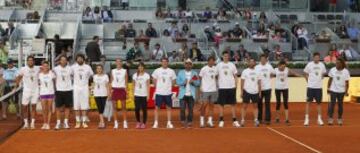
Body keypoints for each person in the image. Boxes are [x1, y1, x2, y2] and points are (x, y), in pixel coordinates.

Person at [15, 56, 40, 129]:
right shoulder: (23, 69)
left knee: (33, 107)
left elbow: (45, 69)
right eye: (29, 60)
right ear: (27, 62)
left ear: (34, 61)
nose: (30, 62)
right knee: (24, 107)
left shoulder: (37, 68)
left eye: (31, 60)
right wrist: (15, 87)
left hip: (35, 90)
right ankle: (26, 123)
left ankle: (32, 123)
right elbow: (18, 77)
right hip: (26, 91)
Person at [216, 51, 240, 128]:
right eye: (224, 56)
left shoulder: (232, 65)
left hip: (231, 87)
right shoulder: (219, 65)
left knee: (232, 104)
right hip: (222, 87)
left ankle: (234, 120)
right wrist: (218, 85)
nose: (226, 57)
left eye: (227, 56)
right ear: (222, 56)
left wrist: (236, 84)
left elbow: (236, 76)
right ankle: (221, 120)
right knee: (221, 105)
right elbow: (216, 76)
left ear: (229, 57)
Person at [151, 58, 177, 129]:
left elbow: (174, 80)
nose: (164, 63)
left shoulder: (171, 71)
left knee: (168, 108)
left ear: (168, 63)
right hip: (159, 92)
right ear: (161, 63)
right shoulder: (157, 70)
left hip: (168, 93)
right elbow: (153, 78)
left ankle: (169, 122)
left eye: (166, 62)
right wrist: (157, 86)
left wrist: (169, 86)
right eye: (163, 62)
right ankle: (156, 123)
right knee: (157, 108)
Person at [274, 60, 301, 125]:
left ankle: (286, 119)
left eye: (284, 67)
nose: (283, 68)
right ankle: (277, 118)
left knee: (285, 103)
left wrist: (300, 75)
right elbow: (269, 75)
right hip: (277, 88)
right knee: (278, 103)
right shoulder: (275, 70)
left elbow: (293, 73)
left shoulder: (287, 69)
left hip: (285, 88)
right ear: (279, 66)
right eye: (282, 67)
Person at [303, 52, 327, 126]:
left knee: (319, 103)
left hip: (318, 87)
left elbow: (324, 73)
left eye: (318, 57)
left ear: (319, 58)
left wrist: (322, 76)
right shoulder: (309, 64)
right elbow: (305, 73)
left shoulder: (322, 65)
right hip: (310, 87)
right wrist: (308, 81)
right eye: (315, 57)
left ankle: (319, 119)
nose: (317, 58)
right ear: (313, 57)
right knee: (308, 103)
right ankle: (306, 119)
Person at [71, 54, 94, 128]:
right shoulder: (73, 67)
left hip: (84, 87)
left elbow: (92, 76)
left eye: (81, 58)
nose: (79, 60)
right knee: (76, 105)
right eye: (78, 58)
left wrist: (90, 84)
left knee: (84, 105)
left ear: (83, 59)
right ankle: (78, 122)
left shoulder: (88, 67)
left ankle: (84, 121)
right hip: (76, 87)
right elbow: (70, 75)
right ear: (76, 59)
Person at [176, 59, 200, 128]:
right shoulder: (181, 73)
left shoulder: (194, 73)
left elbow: (198, 83)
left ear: (191, 65)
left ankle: (190, 121)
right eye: (186, 64)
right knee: (182, 108)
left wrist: (193, 82)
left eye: (189, 64)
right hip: (182, 94)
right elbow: (177, 82)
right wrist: (183, 82)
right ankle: (183, 120)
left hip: (191, 94)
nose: (188, 65)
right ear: (184, 65)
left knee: (190, 109)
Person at [327, 58, 350, 126]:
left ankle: (339, 119)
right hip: (333, 90)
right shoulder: (332, 70)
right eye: (336, 63)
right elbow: (330, 80)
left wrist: (346, 91)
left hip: (341, 91)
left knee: (340, 105)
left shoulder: (346, 72)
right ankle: (330, 119)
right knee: (332, 104)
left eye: (338, 63)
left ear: (341, 64)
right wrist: (328, 88)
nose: (337, 64)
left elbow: (347, 83)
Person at [53, 56, 73, 130]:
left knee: (67, 107)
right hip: (59, 90)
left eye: (65, 60)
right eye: (62, 60)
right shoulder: (55, 69)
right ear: (60, 61)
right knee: (58, 108)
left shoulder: (70, 69)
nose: (63, 61)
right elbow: (53, 78)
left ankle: (65, 122)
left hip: (68, 90)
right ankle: (58, 123)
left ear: (66, 61)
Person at [240, 58, 261, 127]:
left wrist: (260, 92)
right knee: (244, 106)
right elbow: (242, 82)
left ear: (255, 63)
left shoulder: (258, 71)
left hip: (255, 91)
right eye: (250, 62)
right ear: (248, 63)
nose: (251, 63)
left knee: (255, 106)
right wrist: (241, 91)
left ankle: (256, 120)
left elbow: (259, 82)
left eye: (253, 62)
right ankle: (242, 120)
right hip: (246, 91)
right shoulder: (245, 71)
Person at [255, 54, 275, 125]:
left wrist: (271, 76)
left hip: (268, 88)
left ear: (266, 59)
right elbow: (255, 77)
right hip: (259, 89)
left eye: (264, 59)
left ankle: (267, 119)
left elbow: (274, 73)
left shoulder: (269, 66)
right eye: (261, 59)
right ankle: (259, 119)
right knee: (259, 104)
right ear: (260, 59)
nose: (263, 60)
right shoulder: (257, 67)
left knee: (267, 104)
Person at [199, 56, 218, 128]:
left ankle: (209, 121)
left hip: (213, 89)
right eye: (210, 61)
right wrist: (201, 86)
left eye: (213, 61)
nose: (212, 62)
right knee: (204, 105)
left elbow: (216, 77)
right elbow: (200, 77)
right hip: (206, 90)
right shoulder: (204, 69)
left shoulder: (215, 69)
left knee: (211, 106)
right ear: (208, 61)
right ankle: (201, 121)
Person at [110, 58, 128, 129]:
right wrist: (110, 90)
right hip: (114, 89)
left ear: (122, 63)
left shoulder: (125, 71)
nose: (118, 63)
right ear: (115, 63)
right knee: (114, 107)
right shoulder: (112, 71)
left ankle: (125, 122)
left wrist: (126, 90)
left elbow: (126, 81)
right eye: (117, 61)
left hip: (122, 89)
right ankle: (116, 122)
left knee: (124, 107)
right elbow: (111, 81)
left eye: (120, 61)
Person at [132, 62, 150, 129]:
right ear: (138, 68)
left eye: (141, 66)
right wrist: (133, 94)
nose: (140, 68)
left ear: (143, 67)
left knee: (144, 109)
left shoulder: (147, 75)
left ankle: (144, 123)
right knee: (137, 109)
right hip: (137, 94)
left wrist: (148, 95)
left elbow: (148, 85)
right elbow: (133, 85)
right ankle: (138, 122)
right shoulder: (135, 75)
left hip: (144, 94)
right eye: (139, 66)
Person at [38, 61, 55, 130]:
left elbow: (55, 82)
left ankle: (48, 123)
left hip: (50, 93)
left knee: (49, 108)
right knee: (44, 109)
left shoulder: (52, 74)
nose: (45, 67)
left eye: (46, 66)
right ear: (42, 66)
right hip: (43, 93)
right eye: (44, 66)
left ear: (48, 67)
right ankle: (44, 123)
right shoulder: (39, 74)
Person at [93, 64, 110, 129]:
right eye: (98, 68)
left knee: (104, 108)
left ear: (102, 69)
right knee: (100, 108)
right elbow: (94, 85)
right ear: (96, 70)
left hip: (104, 94)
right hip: (97, 94)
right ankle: (102, 122)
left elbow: (107, 85)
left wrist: (108, 94)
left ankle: (103, 120)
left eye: (100, 68)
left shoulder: (105, 76)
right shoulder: (94, 76)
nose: (99, 70)